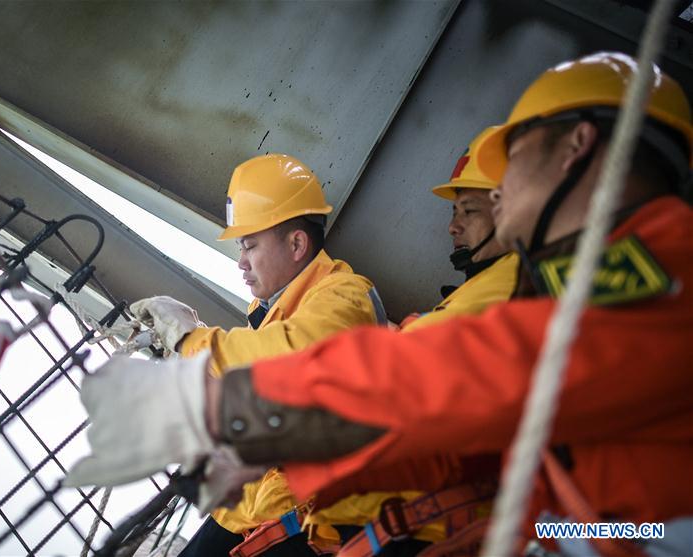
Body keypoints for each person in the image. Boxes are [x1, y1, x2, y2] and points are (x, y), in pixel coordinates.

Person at [70, 52, 693, 556]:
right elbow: (469, 449)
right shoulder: (590, 287)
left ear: (575, 146)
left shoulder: (658, 273)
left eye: (514, 159)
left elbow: (444, 378)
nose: (498, 193)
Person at [66, 152, 387, 557]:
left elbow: (287, 361)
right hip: (253, 513)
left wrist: (192, 340)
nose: (241, 263)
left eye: (250, 246)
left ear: (297, 243)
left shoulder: (345, 296)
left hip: (303, 523)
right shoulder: (275, 315)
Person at [303, 129, 519, 556]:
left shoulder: (510, 285)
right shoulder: (483, 289)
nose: (452, 225)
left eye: (468, 211)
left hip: (417, 527)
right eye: (454, 211)